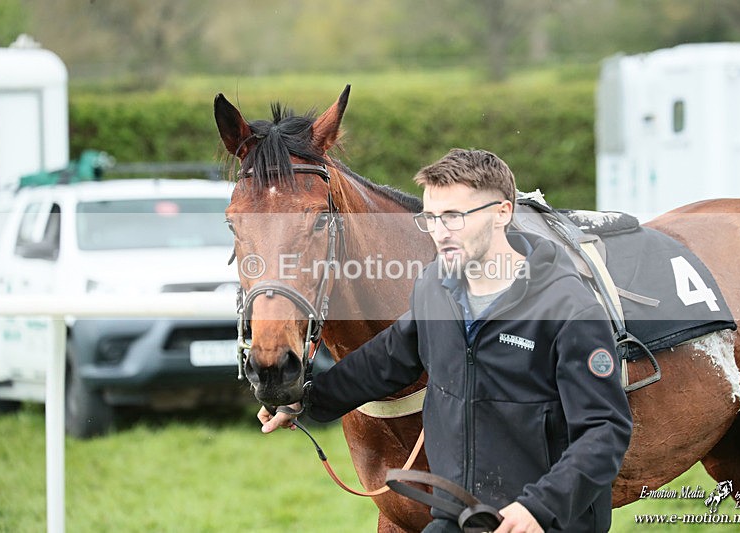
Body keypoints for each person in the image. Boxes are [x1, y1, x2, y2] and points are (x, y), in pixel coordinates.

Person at [260, 148, 633, 532]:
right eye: (431, 218)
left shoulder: (569, 309)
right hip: (457, 517)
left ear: (502, 213)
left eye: (454, 217)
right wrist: (304, 400)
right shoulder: (436, 286)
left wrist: (540, 508)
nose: (439, 232)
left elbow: (605, 430)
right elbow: (387, 359)